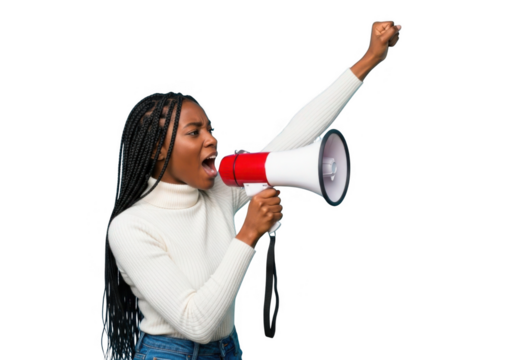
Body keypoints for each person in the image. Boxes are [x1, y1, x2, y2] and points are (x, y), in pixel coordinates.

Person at [101, 20, 402, 360]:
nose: (212, 139)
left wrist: (367, 60)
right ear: (156, 150)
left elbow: (293, 137)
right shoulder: (131, 227)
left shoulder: (219, 189)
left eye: (210, 129)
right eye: (194, 132)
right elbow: (195, 322)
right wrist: (248, 235)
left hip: (228, 349)